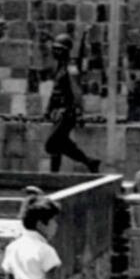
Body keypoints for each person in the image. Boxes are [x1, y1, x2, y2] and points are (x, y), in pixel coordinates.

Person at [44, 33, 101, 174]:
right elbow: (55, 93)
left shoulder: (70, 68)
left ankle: (88, 160)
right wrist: (48, 109)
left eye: (59, 49)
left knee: (51, 145)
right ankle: (54, 175)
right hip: (58, 113)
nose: (55, 52)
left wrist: (79, 112)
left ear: (65, 51)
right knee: (57, 145)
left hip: (67, 113)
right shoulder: (60, 67)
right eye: (54, 48)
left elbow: (77, 91)